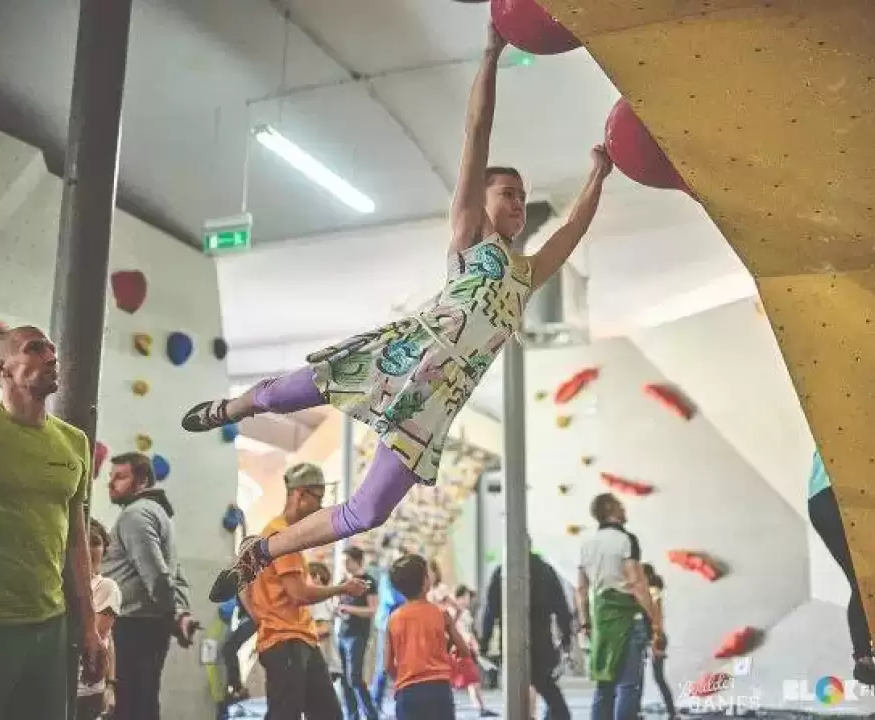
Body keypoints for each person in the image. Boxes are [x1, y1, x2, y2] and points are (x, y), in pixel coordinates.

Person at [189, 21, 615, 604]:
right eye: (507, 193)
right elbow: (477, 131)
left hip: (437, 399)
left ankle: (262, 551)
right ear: (482, 201)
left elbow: (572, 229)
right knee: (292, 393)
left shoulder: (527, 275)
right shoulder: (472, 238)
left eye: (522, 195)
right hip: (402, 354)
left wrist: (598, 175)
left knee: (368, 512)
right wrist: (489, 55)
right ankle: (233, 407)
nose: (518, 202)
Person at [0, 326, 105, 719]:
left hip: (49, 625)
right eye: (35, 348)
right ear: (1, 369)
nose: (51, 357)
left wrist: (89, 627)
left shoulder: (74, 442)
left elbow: (76, 539)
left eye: (52, 350)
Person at [250, 462, 369, 720]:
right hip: (285, 640)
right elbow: (299, 594)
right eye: (317, 498)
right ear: (299, 494)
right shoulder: (281, 536)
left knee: (328, 713)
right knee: (285, 714)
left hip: (301, 638)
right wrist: (342, 588)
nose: (319, 506)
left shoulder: (287, 536)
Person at [100, 451, 198, 720]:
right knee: (143, 703)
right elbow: (174, 575)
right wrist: (179, 613)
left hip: (133, 626)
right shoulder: (158, 513)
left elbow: (157, 577)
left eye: (120, 477)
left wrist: (173, 615)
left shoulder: (136, 514)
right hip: (146, 626)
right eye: (111, 476)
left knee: (127, 706)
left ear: (142, 481)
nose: (111, 483)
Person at [578, 493, 663, 720]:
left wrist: (585, 623)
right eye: (620, 506)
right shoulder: (627, 540)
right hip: (627, 618)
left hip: (600, 621)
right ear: (610, 510)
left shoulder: (586, 545)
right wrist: (654, 620)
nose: (624, 509)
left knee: (604, 685)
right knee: (628, 686)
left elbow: (581, 589)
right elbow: (636, 582)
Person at [807, 450, 875, 685]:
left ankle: (864, 656)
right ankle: (865, 655)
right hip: (836, 493)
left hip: (821, 500)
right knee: (865, 582)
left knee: (861, 582)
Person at [481, 541, 574, 720]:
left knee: (519, 690)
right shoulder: (546, 570)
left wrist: (484, 643)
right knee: (548, 690)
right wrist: (566, 639)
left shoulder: (502, 572)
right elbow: (562, 608)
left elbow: (490, 612)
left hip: (511, 643)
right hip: (541, 641)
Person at [385, 554, 471, 720]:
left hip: (407, 692)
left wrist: (402, 680)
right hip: (439, 690)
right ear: (426, 581)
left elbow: (388, 665)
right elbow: (464, 651)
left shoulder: (393, 619)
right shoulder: (441, 614)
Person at [77, 519, 123, 720]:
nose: (89, 549)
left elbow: (96, 639)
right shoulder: (62, 585)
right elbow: (109, 640)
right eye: (83, 542)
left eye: (95, 543)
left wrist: (110, 686)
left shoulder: (105, 586)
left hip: (84, 689)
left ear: (104, 550)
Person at [336, 546, 380, 720]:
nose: (345, 565)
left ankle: (371, 714)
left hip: (358, 634)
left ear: (358, 561)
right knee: (344, 679)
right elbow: (339, 606)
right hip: (342, 633)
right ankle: (352, 716)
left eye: (348, 561)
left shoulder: (368, 582)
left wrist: (349, 609)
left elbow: (372, 610)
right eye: (343, 562)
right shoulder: (343, 582)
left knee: (354, 677)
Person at [449, 585, 498, 717]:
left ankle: (480, 707)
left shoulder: (464, 612)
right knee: (468, 678)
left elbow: (468, 632)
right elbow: (458, 630)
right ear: (458, 597)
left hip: (464, 649)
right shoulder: (453, 612)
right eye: (465, 597)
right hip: (458, 650)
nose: (467, 601)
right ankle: (480, 708)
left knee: (471, 679)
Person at [370, 547, 408, 709]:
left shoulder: (406, 579)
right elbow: (391, 599)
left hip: (403, 625)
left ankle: (402, 703)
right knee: (383, 667)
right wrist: (408, 598)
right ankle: (374, 705)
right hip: (386, 625)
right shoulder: (387, 578)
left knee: (402, 666)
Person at [641, 564, 675, 718]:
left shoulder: (652, 592)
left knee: (656, 678)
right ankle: (672, 711)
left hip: (655, 638)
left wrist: (656, 637)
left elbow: (657, 617)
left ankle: (672, 711)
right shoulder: (650, 592)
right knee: (656, 678)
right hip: (653, 637)